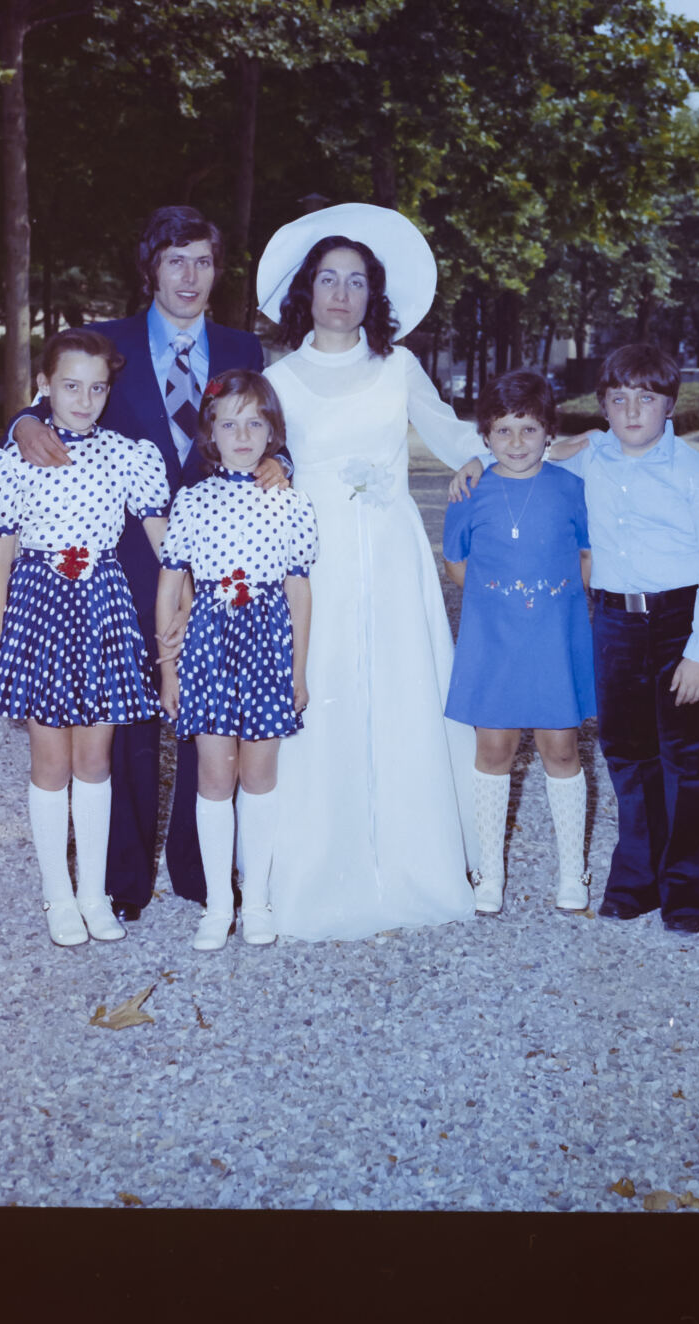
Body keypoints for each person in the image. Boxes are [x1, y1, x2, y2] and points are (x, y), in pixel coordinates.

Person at [7, 206, 285, 919]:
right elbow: (53, 399)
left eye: (203, 261)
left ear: (217, 272)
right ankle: (120, 880)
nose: (189, 276)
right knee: (122, 725)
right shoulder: (111, 341)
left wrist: (279, 460)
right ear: (151, 269)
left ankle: (199, 874)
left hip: (221, 566)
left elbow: (264, 424)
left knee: (207, 711)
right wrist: (23, 421)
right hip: (124, 563)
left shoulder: (242, 347)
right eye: (175, 261)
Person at [255, 202, 492, 941]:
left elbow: (451, 430)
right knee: (320, 688)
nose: (341, 293)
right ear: (307, 290)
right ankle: (315, 866)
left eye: (356, 281)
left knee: (400, 692)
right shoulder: (279, 379)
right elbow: (250, 452)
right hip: (313, 563)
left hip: (391, 558)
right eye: (328, 278)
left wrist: (482, 459)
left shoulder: (398, 367)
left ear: (373, 295)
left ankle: (415, 860)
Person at [456, 342, 699, 933]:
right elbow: (523, 452)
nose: (632, 411)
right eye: (618, 399)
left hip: (682, 621)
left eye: (647, 399)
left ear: (670, 404)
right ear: (603, 406)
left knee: (690, 761)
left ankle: (689, 892)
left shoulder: (696, 474)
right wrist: (474, 462)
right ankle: (637, 880)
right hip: (615, 622)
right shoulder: (590, 457)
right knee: (628, 757)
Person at [0, 330, 170, 947]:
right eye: (71, 386)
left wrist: (185, 605)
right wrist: (2, 640)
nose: (84, 400)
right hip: (39, 609)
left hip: (103, 608)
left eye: (97, 388)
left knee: (94, 760)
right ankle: (57, 895)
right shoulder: (17, 458)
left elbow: (165, 541)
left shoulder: (127, 456)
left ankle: (93, 894)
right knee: (51, 762)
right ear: (45, 387)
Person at [156, 371, 318, 952]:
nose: (243, 435)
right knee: (215, 775)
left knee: (259, 774)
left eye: (255, 423)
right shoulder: (193, 501)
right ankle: (219, 904)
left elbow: (299, 591)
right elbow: (170, 584)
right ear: (211, 434)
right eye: (230, 424)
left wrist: (298, 670)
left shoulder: (291, 502)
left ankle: (259, 899)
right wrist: (168, 667)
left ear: (273, 432)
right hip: (209, 645)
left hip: (267, 645)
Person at [441, 369, 595, 917]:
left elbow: (586, 555)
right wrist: (500, 601)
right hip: (494, 642)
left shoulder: (571, 488)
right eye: (502, 430)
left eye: (529, 429)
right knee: (493, 750)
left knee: (561, 748)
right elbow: (456, 562)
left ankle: (572, 869)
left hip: (553, 639)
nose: (516, 442)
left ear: (549, 431)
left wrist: (555, 602)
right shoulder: (469, 490)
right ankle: (491, 870)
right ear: (485, 435)